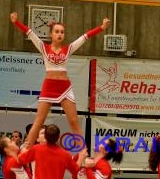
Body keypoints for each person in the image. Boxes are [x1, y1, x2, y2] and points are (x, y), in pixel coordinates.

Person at [10, 12, 110, 149]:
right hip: (49, 86)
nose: (60, 34)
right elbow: (29, 32)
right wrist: (16, 22)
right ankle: (26, 148)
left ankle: (83, 151)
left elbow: (85, 37)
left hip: (64, 87)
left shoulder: (68, 49)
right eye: (57, 31)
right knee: (39, 121)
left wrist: (101, 28)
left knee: (74, 121)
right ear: (51, 34)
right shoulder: (43, 47)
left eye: (62, 32)